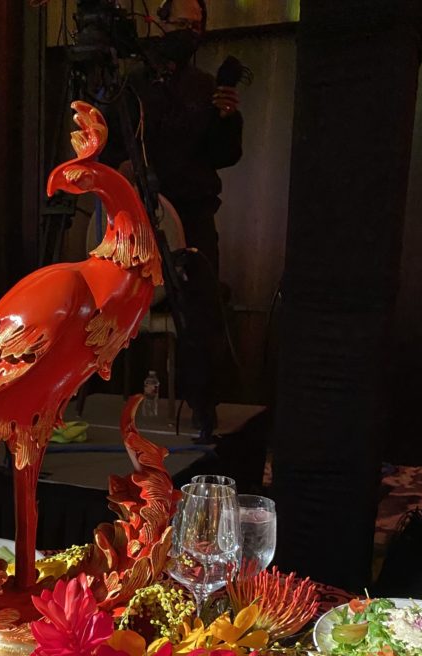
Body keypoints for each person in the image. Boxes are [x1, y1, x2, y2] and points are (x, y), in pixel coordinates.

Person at [103, 0, 244, 439]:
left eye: (195, 24)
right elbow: (107, 146)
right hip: (138, 219)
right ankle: (99, 405)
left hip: (194, 215)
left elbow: (225, 156)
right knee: (105, 304)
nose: (187, 30)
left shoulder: (206, 86)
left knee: (201, 313)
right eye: (179, 21)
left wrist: (228, 119)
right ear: (157, 22)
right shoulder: (131, 85)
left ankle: (203, 412)